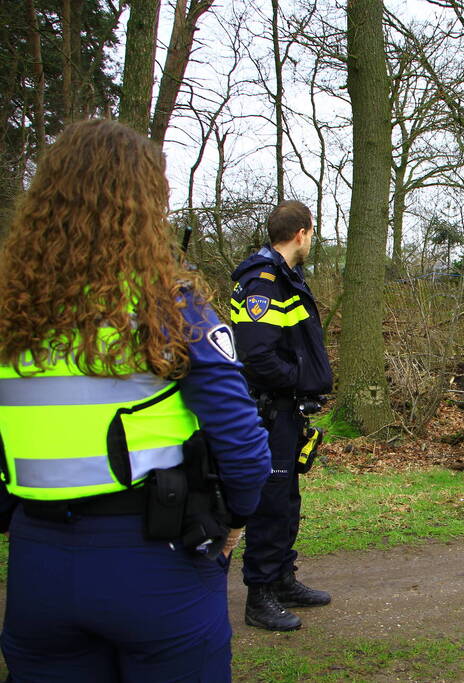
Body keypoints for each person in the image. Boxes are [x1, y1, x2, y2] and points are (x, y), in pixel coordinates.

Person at [0, 119, 271, 681]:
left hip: (37, 564)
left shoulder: (12, 314)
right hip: (153, 558)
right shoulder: (165, 306)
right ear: (146, 207)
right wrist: (234, 521)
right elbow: (241, 440)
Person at [230, 200, 334, 631]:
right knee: (271, 503)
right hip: (270, 410)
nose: (311, 240)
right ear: (301, 233)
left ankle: (282, 579)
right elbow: (257, 356)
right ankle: (260, 596)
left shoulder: (287, 277)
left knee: (286, 499)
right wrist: (299, 380)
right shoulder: (263, 281)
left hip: (287, 410)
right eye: (312, 233)